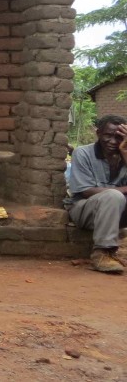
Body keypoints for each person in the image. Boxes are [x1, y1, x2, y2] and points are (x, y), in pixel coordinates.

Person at [66, 115, 127, 274]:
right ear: (98, 133)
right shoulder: (83, 153)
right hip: (84, 209)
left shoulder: (124, 154)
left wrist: (125, 153)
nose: (113, 141)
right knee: (113, 196)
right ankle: (101, 253)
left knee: (115, 196)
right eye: (108, 135)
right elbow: (86, 191)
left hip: (115, 213)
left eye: (119, 137)